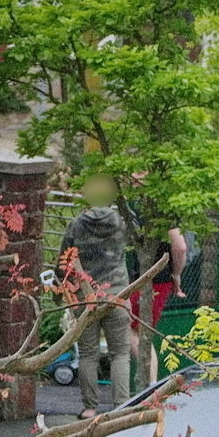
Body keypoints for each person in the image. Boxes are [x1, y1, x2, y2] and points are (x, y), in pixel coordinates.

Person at [60, 174, 131, 419]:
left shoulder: (76, 225)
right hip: (117, 294)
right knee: (120, 353)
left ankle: (90, 408)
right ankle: (121, 406)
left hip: (86, 297)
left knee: (88, 353)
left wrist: (63, 297)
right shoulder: (122, 222)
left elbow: (64, 263)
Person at [129, 228, 187, 384]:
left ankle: (151, 384)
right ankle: (152, 384)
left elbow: (180, 247)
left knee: (132, 328)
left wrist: (176, 274)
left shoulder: (164, 216)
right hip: (148, 278)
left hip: (153, 280)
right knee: (140, 331)